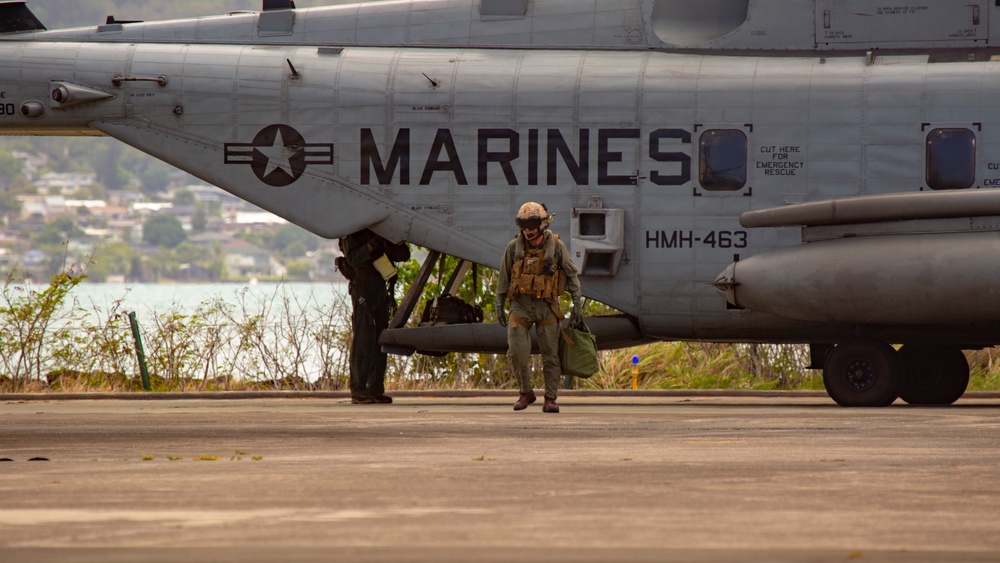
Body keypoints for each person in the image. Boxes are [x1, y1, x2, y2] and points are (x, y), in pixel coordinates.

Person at [495, 202, 583, 413]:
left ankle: (550, 398)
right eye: (522, 224)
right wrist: (499, 304)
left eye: (531, 223)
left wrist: (577, 305)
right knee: (516, 352)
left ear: (542, 224)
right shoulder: (513, 248)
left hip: (547, 306)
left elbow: (572, 276)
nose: (527, 229)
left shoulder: (557, 247)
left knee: (551, 355)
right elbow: (504, 278)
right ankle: (526, 392)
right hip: (521, 306)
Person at [338, 229, 410, 404]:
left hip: (380, 285)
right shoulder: (352, 230)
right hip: (363, 286)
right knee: (364, 338)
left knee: (380, 338)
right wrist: (373, 244)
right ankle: (359, 390)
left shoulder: (380, 231)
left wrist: (386, 242)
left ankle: (375, 388)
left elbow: (403, 254)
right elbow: (353, 258)